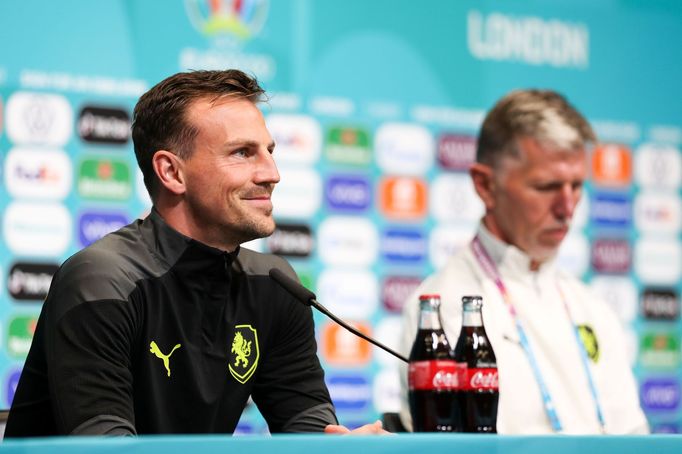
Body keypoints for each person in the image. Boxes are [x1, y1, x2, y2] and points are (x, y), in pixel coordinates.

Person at [5, 69, 386, 437]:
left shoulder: (275, 285)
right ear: (172, 173)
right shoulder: (102, 280)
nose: (272, 173)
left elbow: (309, 429)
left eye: (269, 151)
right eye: (242, 153)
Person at [398, 89, 649, 434]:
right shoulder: (444, 310)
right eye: (546, 186)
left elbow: (633, 435)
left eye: (576, 186)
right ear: (485, 185)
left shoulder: (593, 308)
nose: (567, 208)